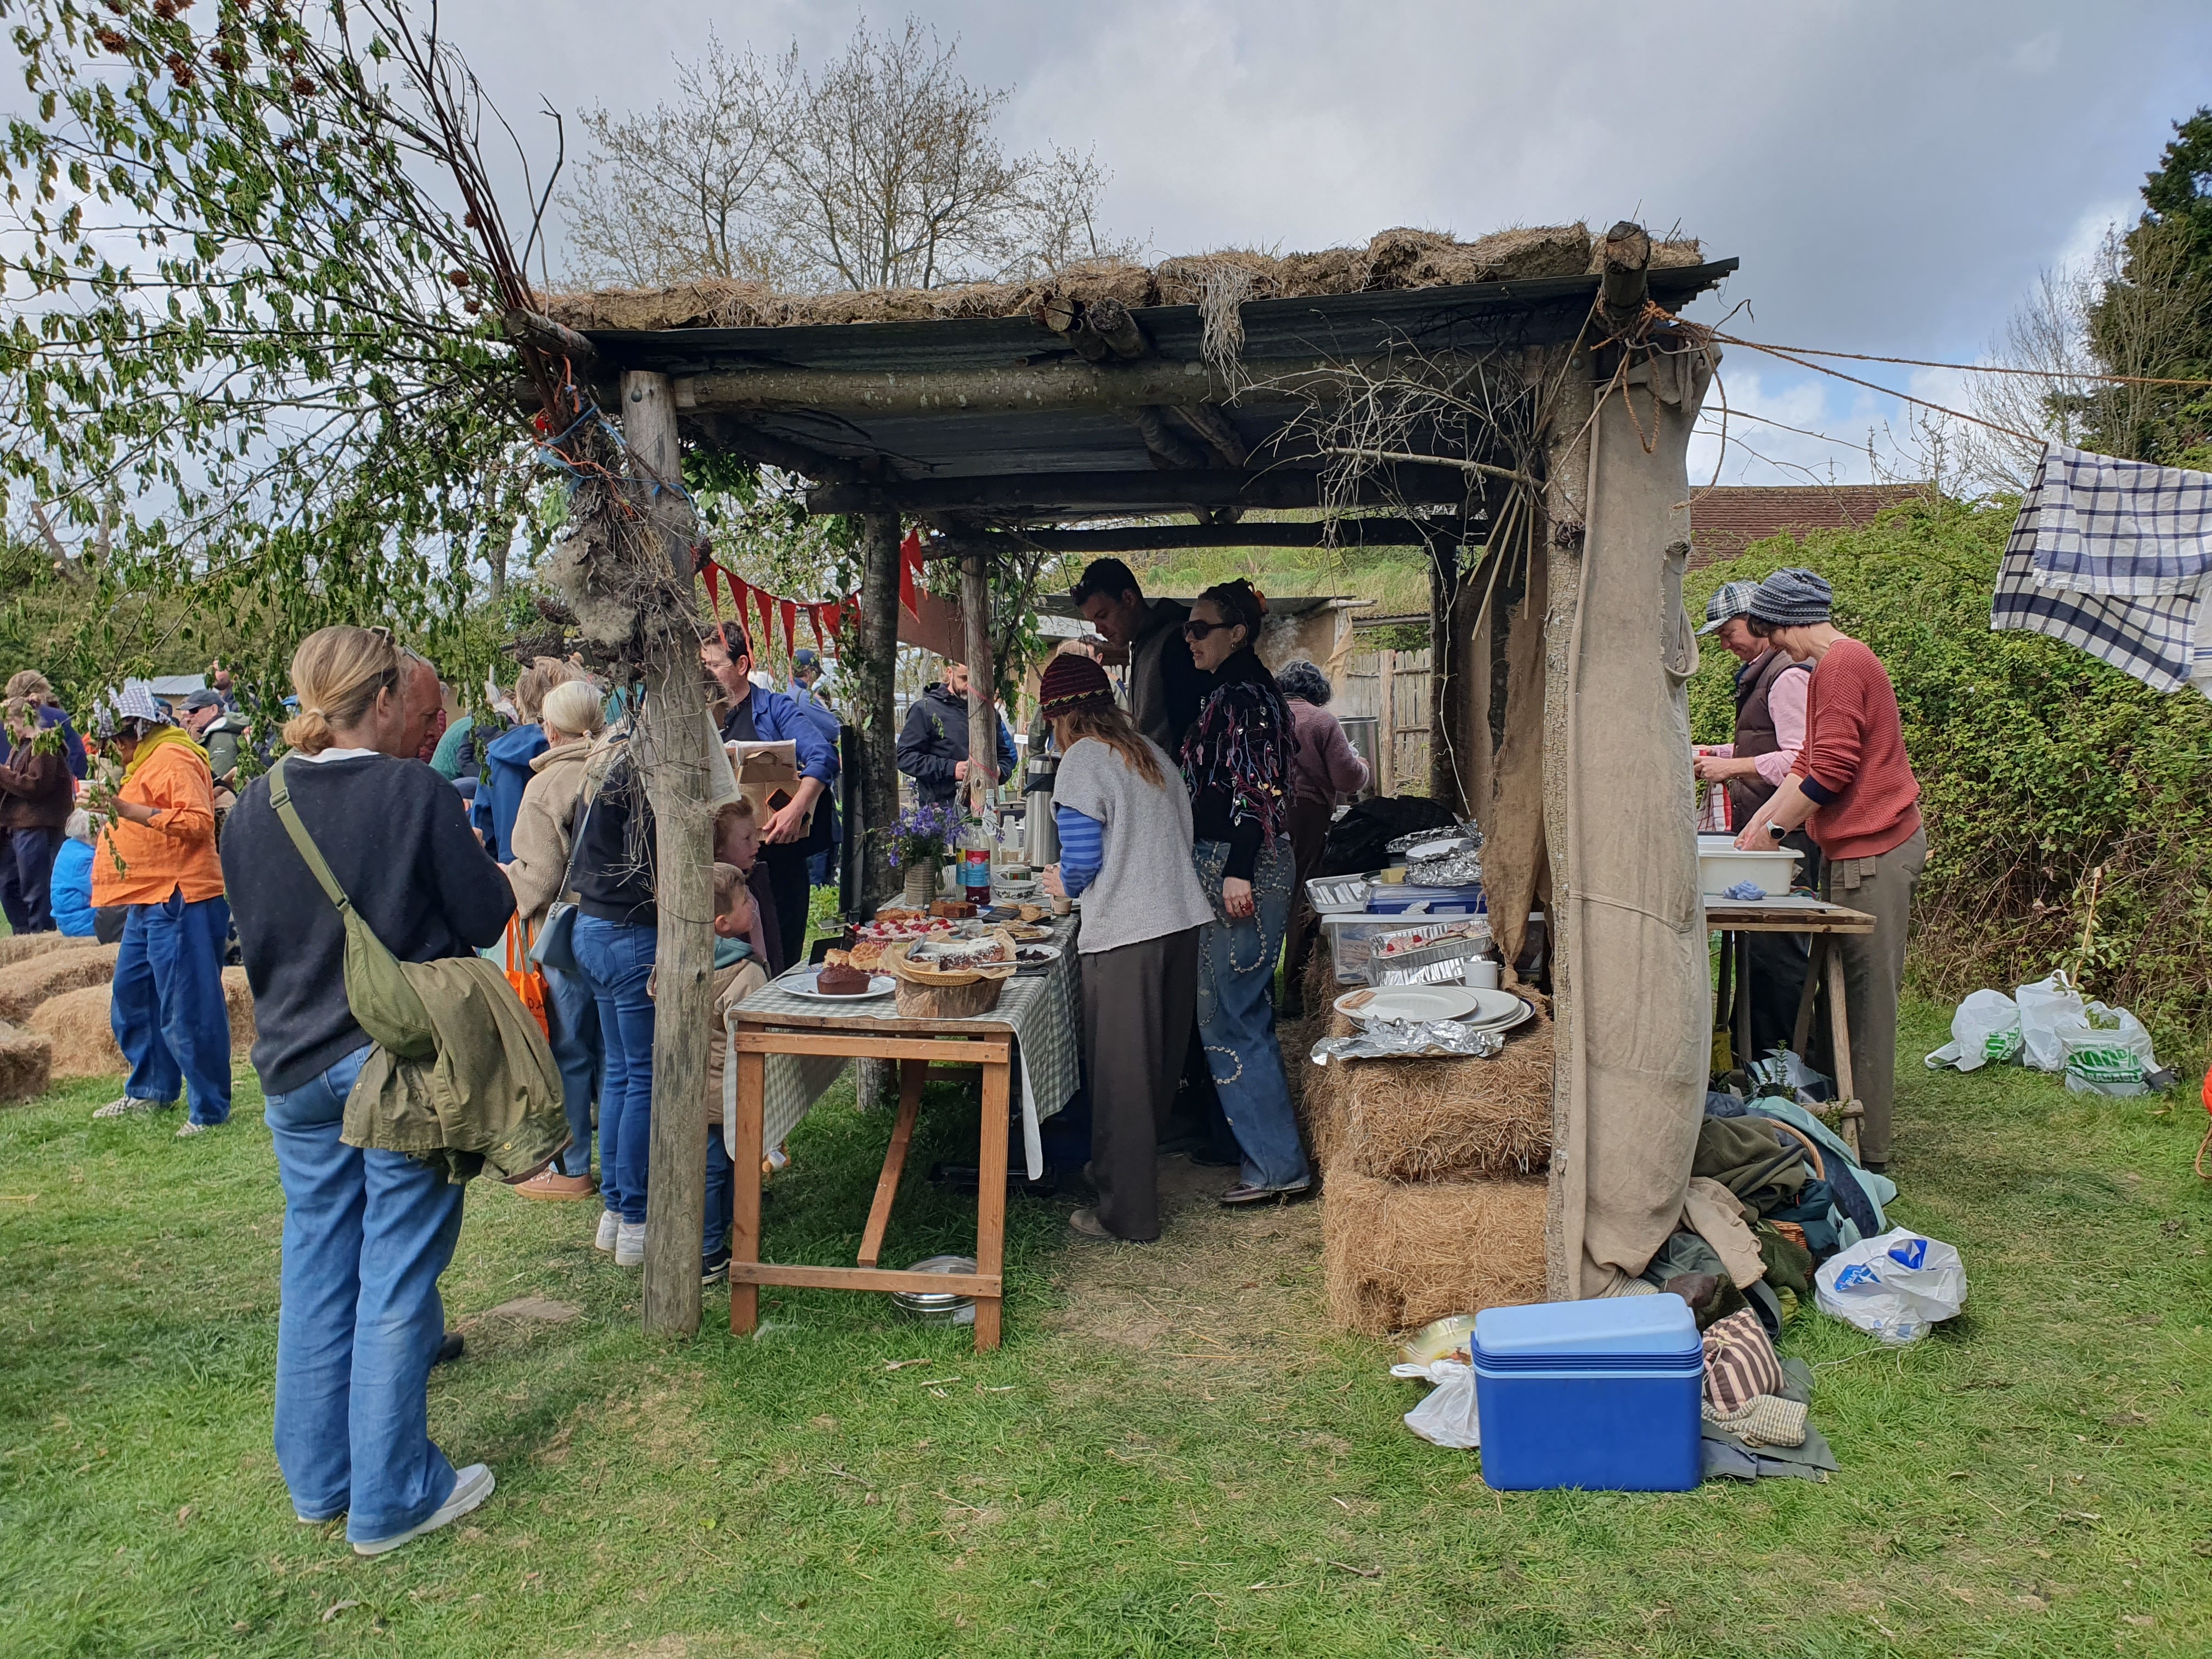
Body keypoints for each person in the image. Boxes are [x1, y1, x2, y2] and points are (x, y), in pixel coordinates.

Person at [221, 625, 512, 1556]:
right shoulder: (412, 792)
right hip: (394, 1064)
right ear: (384, 698)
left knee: (315, 1272)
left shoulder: (253, 804)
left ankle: (321, 1484)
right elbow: (486, 914)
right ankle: (393, 1497)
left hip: (292, 1067)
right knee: (396, 1272)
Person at [1733, 569, 1925, 1176]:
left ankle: (1869, 1153)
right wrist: (1757, 829)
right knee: (1834, 997)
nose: (1773, 645)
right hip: (1851, 851)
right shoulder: (1826, 669)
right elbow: (1806, 766)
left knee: (1865, 1005)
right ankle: (1829, 1130)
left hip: (1878, 848)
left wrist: (1777, 834)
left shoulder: (1842, 664)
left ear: (1788, 622)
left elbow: (1833, 771)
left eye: (1770, 631)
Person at [1036, 653, 1215, 1243]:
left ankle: (1128, 1214)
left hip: (1128, 933)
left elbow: (1083, 858)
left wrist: (1064, 883)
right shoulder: (1151, 753)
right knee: (1155, 1069)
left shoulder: (1083, 759)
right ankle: (1117, 1171)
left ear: (1059, 716)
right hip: (1180, 922)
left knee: (1121, 1077)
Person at [1178, 580, 1311, 1205]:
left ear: (1237, 634)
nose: (1190, 639)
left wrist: (1236, 868)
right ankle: (1270, 1158)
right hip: (1243, 860)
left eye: (1200, 628)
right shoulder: (1243, 691)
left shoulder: (1243, 695)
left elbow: (1258, 790)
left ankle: (1277, 1166)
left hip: (1241, 864)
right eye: (1188, 628)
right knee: (1237, 1010)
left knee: (1233, 1014)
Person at [84, 685, 231, 1137]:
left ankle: (209, 1109)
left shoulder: (175, 757)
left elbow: (198, 821)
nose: (113, 750)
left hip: (181, 894)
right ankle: (151, 1089)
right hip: (150, 896)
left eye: (116, 740)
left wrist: (126, 809)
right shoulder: (148, 760)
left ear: (137, 730)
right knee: (134, 995)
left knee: (188, 1005)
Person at [1692, 580, 1821, 1065]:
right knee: (1759, 954)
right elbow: (1763, 743)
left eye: (1729, 634)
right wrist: (1716, 754)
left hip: (1790, 837)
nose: (1726, 646)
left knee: (1778, 955)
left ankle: (1784, 1063)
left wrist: (1733, 768)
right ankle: (1755, 1059)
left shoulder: (1786, 676)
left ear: (1758, 623)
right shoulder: (1762, 674)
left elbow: (1801, 761)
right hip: (1769, 835)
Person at [500, 677, 607, 1203]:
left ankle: (575, 1167)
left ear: (550, 729)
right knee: (618, 1057)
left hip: (563, 938)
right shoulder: (619, 770)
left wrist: (505, 880)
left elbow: (540, 878)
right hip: (622, 929)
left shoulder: (544, 787)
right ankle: (626, 1166)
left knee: (569, 1053)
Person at [568, 721, 659, 1268]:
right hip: (629, 930)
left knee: (621, 1074)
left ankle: (617, 1212)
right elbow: (649, 866)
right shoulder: (642, 773)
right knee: (640, 1076)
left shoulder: (604, 763)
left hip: (592, 925)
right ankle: (637, 1217)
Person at [702, 622, 834, 964]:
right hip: (720, 875)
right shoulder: (697, 718)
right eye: (702, 666)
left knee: (780, 957)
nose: (707, 674)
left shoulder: (775, 708)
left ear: (742, 665)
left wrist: (797, 809)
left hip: (778, 863)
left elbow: (823, 756)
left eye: (714, 665)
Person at [678, 860, 768, 1283]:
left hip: (689, 1085)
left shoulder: (676, 963)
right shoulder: (745, 974)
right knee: (718, 1166)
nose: (753, 904)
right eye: (745, 901)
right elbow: (753, 1034)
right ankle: (708, 1250)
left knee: (712, 1165)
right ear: (723, 924)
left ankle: (723, 1229)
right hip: (724, 1090)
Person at [1273, 659, 1370, 1011]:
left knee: (1264, 895)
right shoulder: (1322, 721)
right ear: (1318, 694)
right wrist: (1363, 769)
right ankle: (1293, 993)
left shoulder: (1265, 716)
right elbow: (1346, 779)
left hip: (1261, 812)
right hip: (1306, 813)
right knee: (1302, 896)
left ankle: (1257, 994)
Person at [1071, 558, 1210, 751]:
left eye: (1103, 616)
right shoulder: (1140, 644)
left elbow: (1187, 731)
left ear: (1129, 598)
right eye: (1093, 621)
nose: (1099, 629)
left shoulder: (1175, 642)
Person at [0, 689, 77, 932]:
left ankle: (40, 936)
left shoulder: (45, 746)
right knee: (10, 887)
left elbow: (35, 785)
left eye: (9, 723)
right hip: (16, 826)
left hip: (38, 826)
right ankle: (23, 936)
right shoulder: (20, 748)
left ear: (21, 719)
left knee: (36, 890)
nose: (6, 729)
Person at [896, 660, 1017, 808]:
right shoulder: (925, 709)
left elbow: (1005, 756)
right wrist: (952, 769)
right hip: (941, 809)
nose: (969, 685)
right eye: (964, 678)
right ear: (950, 673)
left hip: (986, 806)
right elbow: (905, 757)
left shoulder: (988, 713)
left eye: (975, 680)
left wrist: (999, 771)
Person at [787, 647, 844, 888]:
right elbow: (833, 728)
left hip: (793, 775)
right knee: (824, 838)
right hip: (813, 773)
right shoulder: (803, 697)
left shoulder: (782, 694)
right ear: (809, 672)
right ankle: (820, 890)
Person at [50, 809, 97, 937]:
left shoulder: (69, 847)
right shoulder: (84, 859)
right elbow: (101, 890)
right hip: (82, 922)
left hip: (70, 919)